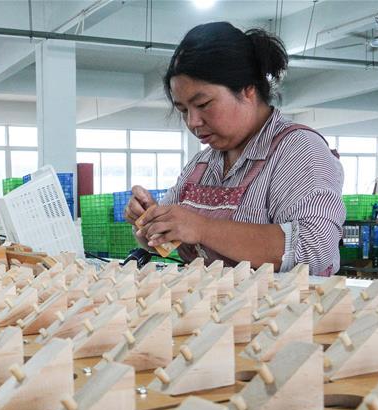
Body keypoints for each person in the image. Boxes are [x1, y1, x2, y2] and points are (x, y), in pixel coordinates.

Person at [126, 22, 344, 276]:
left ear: (247, 90)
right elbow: (166, 243)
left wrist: (203, 228)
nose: (193, 122)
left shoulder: (299, 150)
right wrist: (150, 222)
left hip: (278, 302)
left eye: (203, 104)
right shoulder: (202, 165)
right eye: (183, 110)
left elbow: (315, 248)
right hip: (211, 300)